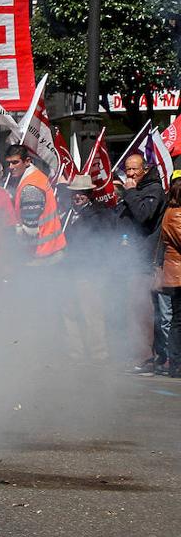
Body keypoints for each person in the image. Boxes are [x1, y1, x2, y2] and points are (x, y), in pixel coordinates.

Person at [115, 151, 169, 374]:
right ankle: (142, 355)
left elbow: (144, 215)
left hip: (144, 259)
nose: (130, 173)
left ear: (144, 169)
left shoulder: (153, 190)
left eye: (135, 169)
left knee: (141, 310)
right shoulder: (137, 191)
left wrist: (129, 193)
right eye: (127, 169)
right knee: (133, 308)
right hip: (130, 257)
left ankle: (145, 358)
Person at [61, 174, 114, 363]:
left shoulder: (100, 214)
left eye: (82, 193)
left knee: (92, 313)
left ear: (89, 194)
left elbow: (103, 242)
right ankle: (76, 353)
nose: (78, 197)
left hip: (89, 270)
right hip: (68, 270)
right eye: (75, 193)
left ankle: (98, 354)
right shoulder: (66, 214)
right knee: (69, 312)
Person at [3, 144, 66, 263]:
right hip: (51, 248)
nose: (11, 167)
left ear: (27, 161)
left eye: (15, 162)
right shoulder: (37, 178)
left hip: (42, 254)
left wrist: (9, 229)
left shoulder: (30, 187)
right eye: (9, 163)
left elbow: (30, 230)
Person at [159, 174, 181, 378]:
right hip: (178, 274)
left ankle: (176, 363)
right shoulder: (176, 215)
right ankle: (176, 364)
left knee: (177, 320)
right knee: (177, 321)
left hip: (176, 273)